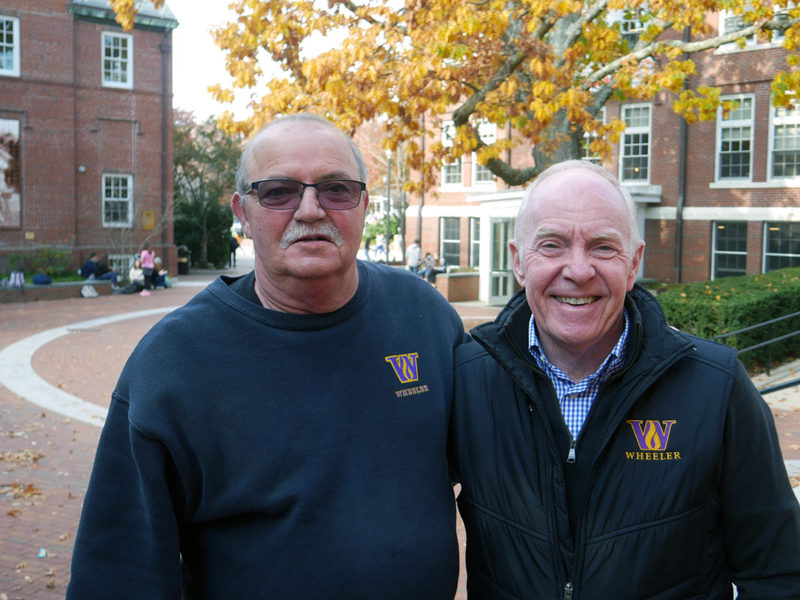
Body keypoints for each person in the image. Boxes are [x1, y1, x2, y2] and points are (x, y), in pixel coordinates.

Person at [68, 113, 468, 599]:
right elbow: (117, 572)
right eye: (279, 191)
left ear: (363, 203)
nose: (310, 210)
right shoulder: (175, 363)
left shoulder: (424, 316)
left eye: (336, 189)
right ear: (242, 212)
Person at [449, 159, 800, 598]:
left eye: (602, 247)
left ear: (633, 263)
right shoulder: (466, 381)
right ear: (519, 263)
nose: (578, 270)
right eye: (552, 245)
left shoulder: (717, 387)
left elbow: (779, 575)